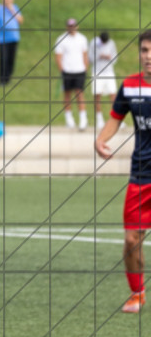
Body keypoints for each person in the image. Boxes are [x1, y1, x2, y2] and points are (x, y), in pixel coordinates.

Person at [96, 29, 151, 313]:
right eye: (144, 50)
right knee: (131, 240)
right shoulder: (130, 86)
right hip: (141, 174)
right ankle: (137, 293)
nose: (149, 56)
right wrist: (101, 139)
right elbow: (115, 119)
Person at [55, 18, 90, 130]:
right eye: (70, 26)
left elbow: (85, 54)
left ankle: (83, 119)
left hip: (79, 70)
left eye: (73, 26)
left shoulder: (82, 39)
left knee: (80, 94)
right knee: (67, 94)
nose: (72, 28)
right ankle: (69, 119)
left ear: (77, 26)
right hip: (67, 70)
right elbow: (58, 57)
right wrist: (62, 70)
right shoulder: (61, 39)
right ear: (67, 27)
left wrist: (85, 68)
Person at [91, 31, 119, 131]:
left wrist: (109, 57)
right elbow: (90, 58)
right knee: (97, 95)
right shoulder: (94, 43)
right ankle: (99, 119)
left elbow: (115, 58)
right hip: (97, 72)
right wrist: (100, 56)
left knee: (113, 95)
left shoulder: (111, 43)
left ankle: (116, 119)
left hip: (109, 72)